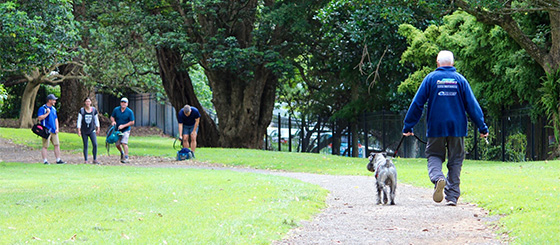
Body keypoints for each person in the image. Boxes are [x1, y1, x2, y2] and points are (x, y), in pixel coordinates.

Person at [402, 50, 489, 206]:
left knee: (434, 154)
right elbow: (472, 106)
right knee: (456, 160)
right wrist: (482, 127)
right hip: (457, 127)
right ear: (453, 63)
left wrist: (409, 125)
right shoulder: (460, 80)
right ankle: (452, 196)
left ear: (437, 63)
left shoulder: (430, 79)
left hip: (436, 126)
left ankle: (438, 178)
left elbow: (417, 103)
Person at [37, 94, 66, 164]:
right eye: (53, 100)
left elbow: (56, 119)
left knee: (57, 144)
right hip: (46, 130)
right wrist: (47, 113)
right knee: (45, 146)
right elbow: (40, 118)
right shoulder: (42, 108)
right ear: (49, 100)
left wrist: (57, 128)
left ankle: (58, 159)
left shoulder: (53, 109)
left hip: (53, 130)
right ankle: (45, 160)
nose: (55, 101)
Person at [110, 97, 135, 163]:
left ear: (127, 104)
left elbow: (132, 122)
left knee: (124, 143)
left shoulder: (129, 112)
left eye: (125, 102)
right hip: (117, 130)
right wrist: (113, 121)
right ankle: (122, 152)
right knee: (117, 144)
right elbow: (112, 117)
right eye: (122, 102)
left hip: (126, 130)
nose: (123, 104)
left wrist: (124, 126)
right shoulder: (116, 110)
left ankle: (126, 157)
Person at [77, 97, 100, 164]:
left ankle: (95, 159)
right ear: (84, 102)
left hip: (92, 129)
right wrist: (79, 130)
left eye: (89, 101)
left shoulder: (94, 110)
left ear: (91, 102)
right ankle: (86, 160)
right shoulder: (82, 111)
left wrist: (98, 127)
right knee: (85, 144)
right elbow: (79, 121)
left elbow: (96, 119)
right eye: (86, 101)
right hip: (84, 130)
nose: (88, 103)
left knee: (95, 144)